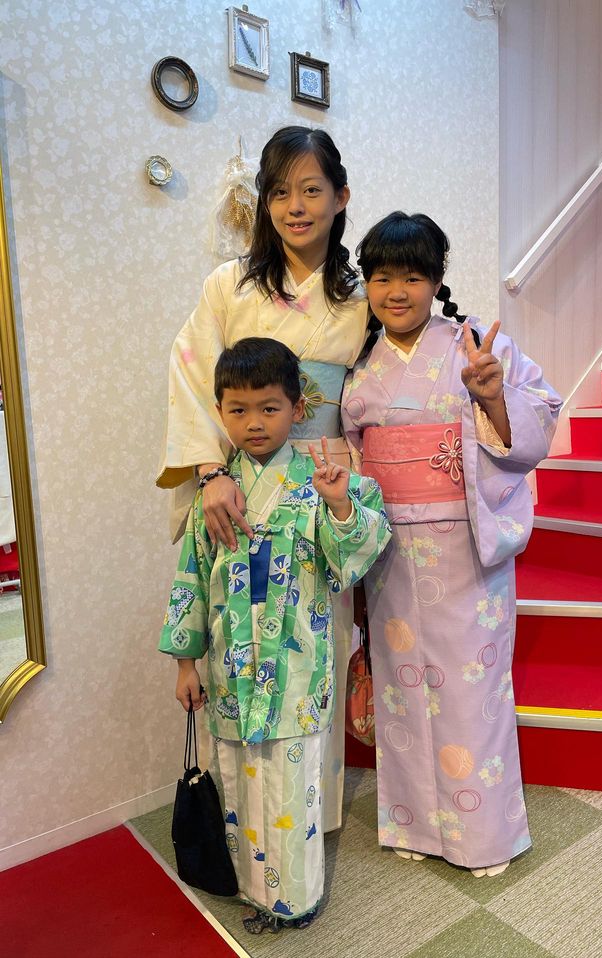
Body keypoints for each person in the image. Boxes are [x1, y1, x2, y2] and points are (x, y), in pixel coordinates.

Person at [157, 126, 370, 831]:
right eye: (279, 192)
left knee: (315, 645)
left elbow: (378, 386)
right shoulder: (229, 285)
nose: (295, 207)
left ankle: (311, 816)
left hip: (321, 481)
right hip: (239, 485)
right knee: (237, 638)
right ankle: (240, 817)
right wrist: (209, 472)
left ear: (341, 197)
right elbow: (193, 376)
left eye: (311, 190)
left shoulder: (360, 295)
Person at [341, 212, 562, 876]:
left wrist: (492, 398)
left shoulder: (473, 345)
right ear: (367, 283)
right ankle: (414, 824)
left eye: (413, 277)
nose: (397, 292)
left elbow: (540, 413)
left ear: (437, 280)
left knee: (471, 690)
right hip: (387, 548)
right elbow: (351, 457)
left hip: (464, 541)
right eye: (382, 277)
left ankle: (484, 836)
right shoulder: (360, 365)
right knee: (402, 685)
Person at [159, 338, 390, 933]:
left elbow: (354, 556)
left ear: (297, 407)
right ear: (219, 412)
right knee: (236, 776)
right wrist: (185, 664)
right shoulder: (215, 495)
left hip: (296, 667)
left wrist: (339, 506)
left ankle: (292, 900)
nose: (254, 423)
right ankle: (248, 891)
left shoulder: (321, 480)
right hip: (230, 665)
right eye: (237, 410)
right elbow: (191, 577)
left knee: (292, 783)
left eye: (269, 407)